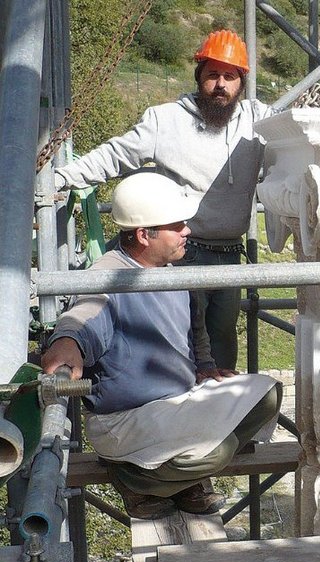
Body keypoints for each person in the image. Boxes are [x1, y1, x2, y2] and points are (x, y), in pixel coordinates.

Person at [41, 173, 283, 519]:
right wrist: (68, 341)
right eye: (177, 225)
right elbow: (85, 315)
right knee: (217, 452)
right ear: (144, 234)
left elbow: (194, 329)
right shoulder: (109, 275)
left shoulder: (172, 269)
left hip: (176, 403)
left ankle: (172, 478)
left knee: (267, 393)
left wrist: (205, 367)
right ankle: (135, 479)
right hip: (127, 420)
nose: (187, 230)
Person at [55, 29, 274, 374]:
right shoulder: (165, 120)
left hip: (230, 258)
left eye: (229, 76)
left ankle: (217, 425)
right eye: (212, 74)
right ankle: (177, 419)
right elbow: (117, 155)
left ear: (241, 82)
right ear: (198, 76)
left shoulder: (259, 122)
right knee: (183, 352)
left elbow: (296, 135)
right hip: (180, 254)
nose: (220, 84)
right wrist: (62, 177)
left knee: (221, 356)